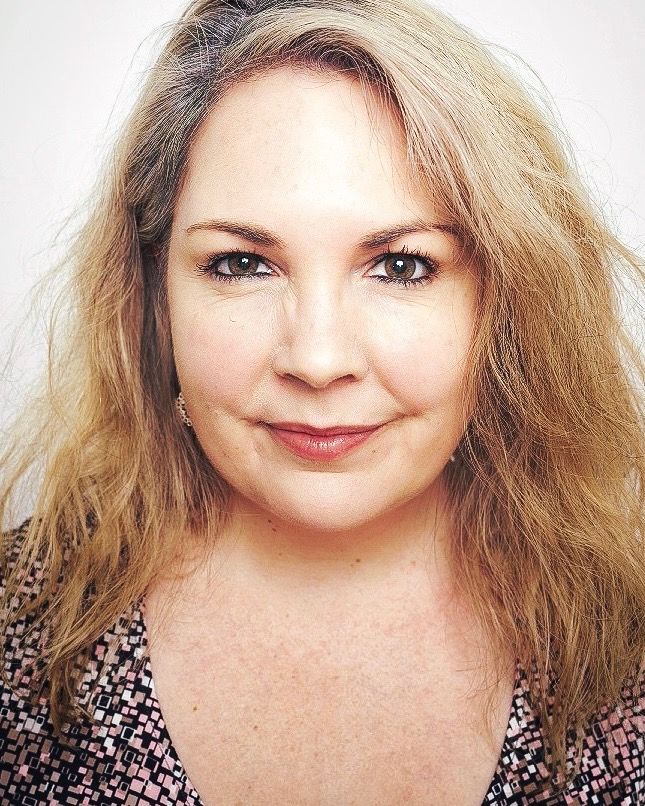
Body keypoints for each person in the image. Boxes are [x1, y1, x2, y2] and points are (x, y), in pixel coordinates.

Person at [1, 0, 643, 803]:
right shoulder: (15, 631)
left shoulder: (625, 649)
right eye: (241, 264)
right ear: (154, 295)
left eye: (401, 266)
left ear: (506, 300)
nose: (317, 359)